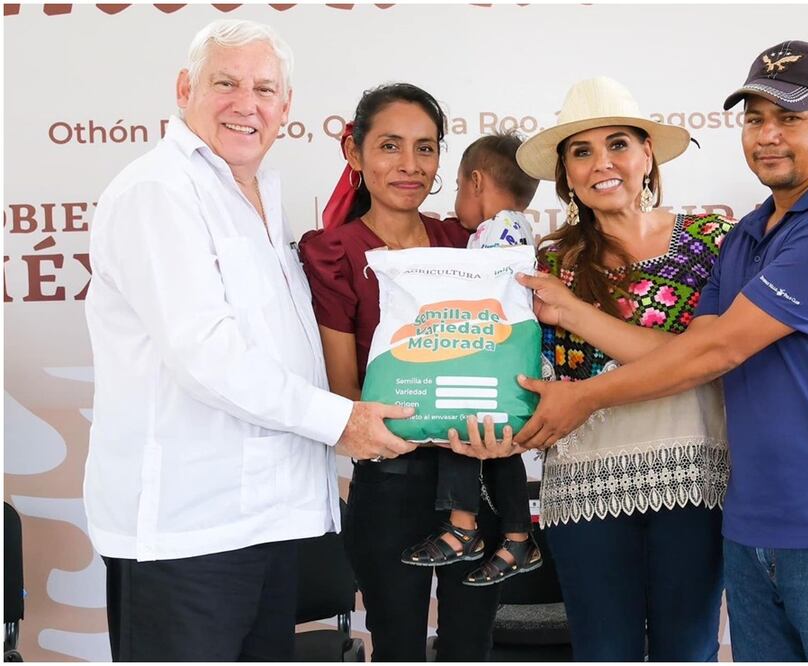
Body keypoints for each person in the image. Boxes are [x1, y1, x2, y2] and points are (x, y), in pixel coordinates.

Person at [509, 44, 808, 661]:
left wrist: (583, 396)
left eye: (789, 118)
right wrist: (565, 317)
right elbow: (692, 348)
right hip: (751, 523)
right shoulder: (747, 235)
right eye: (755, 119)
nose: (768, 135)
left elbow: (717, 352)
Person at [83, 20, 416, 662]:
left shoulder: (256, 193)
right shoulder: (159, 191)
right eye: (226, 83)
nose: (247, 103)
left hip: (267, 524)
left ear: (285, 107)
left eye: (264, 89)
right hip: (188, 533)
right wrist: (340, 420)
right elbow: (205, 354)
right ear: (185, 89)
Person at [454, 75, 733, 660]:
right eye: (581, 151)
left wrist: (576, 313)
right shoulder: (546, 262)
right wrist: (491, 431)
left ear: (647, 155)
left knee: (688, 651)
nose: (602, 163)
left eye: (618, 144)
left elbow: (705, 361)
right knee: (603, 652)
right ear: (566, 175)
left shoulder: (713, 240)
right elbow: (522, 380)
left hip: (694, 477)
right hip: (586, 488)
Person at [298, 82, 502, 660]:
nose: (410, 165)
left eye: (425, 148)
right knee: (397, 647)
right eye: (390, 146)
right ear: (354, 152)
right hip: (391, 480)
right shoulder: (332, 252)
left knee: (471, 646)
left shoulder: (466, 243)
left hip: (477, 475)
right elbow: (345, 390)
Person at [400, 132, 543, 587]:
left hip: (493, 351)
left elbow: (478, 293)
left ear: (476, 182)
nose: (456, 200)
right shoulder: (517, 227)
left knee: (458, 426)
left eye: (460, 186)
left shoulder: (496, 231)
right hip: (508, 354)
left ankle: (463, 528)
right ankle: (516, 538)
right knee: (496, 447)